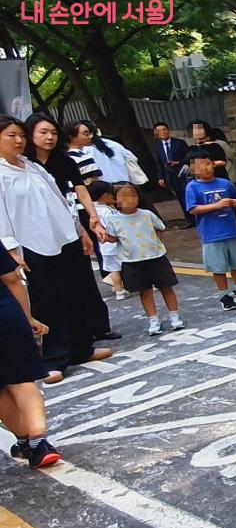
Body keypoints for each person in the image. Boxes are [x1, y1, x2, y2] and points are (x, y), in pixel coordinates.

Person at [0, 115, 112, 384]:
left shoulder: (31, 166)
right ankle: (54, 358)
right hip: (31, 243)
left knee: (76, 291)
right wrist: (11, 248)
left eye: (21, 135)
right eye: (11, 135)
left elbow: (60, 199)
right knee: (47, 299)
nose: (19, 141)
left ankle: (81, 348)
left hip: (63, 237)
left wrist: (79, 229)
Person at [24, 113, 119, 340]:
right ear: (31, 135)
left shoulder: (64, 160)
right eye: (43, 132)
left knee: (83, 275)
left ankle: (96, 328)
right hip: (37, 229)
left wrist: (92, 217)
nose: (49, 138)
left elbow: (80, 188)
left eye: (53, 133)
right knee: (50, 284)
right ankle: (59, 336)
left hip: (71, 221)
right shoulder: (24, 164)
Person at [0, 247, 60, 469]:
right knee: (22, 379)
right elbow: (12, 278)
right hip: (5, 315)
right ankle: (38, 442)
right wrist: (27, 318)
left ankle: (25, 441)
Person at [184, 148, 236, 311]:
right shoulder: (192, 187)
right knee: (218, 266)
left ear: (213, 164)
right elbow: (192, 209)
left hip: (231, 229)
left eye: (208, 164)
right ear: (192, 169)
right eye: (200, 166)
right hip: (212, 233)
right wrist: (216, 205)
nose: (205, 168)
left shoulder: (225, 183)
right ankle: (224, 294)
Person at [101, 182, 184, 336]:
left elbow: (160, 228)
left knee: (166, 287)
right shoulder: (114, 220)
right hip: (132, 262)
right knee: (144, 291)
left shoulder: (147, 214)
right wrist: (106, 238)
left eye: (133, 195)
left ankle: (174, 315)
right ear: (114, 200)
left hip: (156, 257)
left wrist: (157, 243)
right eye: (124, 196)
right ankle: (153, 319)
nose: (130, 199)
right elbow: (113, 238)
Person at [86, 180, 128, 301]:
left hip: (104, 246)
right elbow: (115, 226)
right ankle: (147, 283)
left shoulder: (93, 210)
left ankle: (119, 291)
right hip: (115, 244)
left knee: (114, 269)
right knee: (130, 265)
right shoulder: (107, 211)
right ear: (105, 195)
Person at [152, 121, 191, 220]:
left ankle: (194, 216)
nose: (163, 132)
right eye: (160, 131)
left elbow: (188, 158)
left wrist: (179, 163)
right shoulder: (158, 146)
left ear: (168, 130)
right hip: (169, 176)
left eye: (164, 129)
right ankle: (188, 218)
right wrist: (160, 177)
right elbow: (159, 163)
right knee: (180, 198)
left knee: (187, 195)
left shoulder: (179, 143)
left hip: (182, 173)